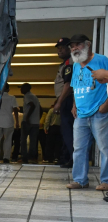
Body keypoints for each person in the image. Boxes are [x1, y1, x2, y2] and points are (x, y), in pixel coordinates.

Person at [68, 34, 108, 190]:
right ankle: (80, 180)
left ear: (88, 44)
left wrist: (105, 105)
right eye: (72, 46)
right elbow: (75, 87)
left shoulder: (102, 60)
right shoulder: (76, 65)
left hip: (100, 112)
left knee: (105, 148)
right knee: (79, 148)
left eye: (78, 45)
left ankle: (106, 181)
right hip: (81, 114)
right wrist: (74, 105)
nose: (74, 48)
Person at [53, 37, 75, 168]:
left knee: (69, 131)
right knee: (65, 130)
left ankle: (73, 159)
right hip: (65, 99)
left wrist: (59, 103)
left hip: (67, 100)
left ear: (69, 48)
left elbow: (68, 85)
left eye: (62, 48)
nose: (59, 51)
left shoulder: (70, 64)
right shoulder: (66, 63)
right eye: (58, 49)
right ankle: (66, 157)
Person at [0, 83, 17, 163]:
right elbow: (15, 109)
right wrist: (17, 122)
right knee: (8, 140)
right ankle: (6, 158)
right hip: (8, 122)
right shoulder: (12, 98)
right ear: (8, 89)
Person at [19, 83, 41, 164]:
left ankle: (24, 158)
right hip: (35, 122)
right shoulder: (35, 96)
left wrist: (27, 117)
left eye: (22, 88)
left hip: (27, 122)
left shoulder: (27, 96)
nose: (20, 90)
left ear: (26, 88)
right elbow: (40, 108)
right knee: (33, 141)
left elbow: (32, 105)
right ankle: (32, 157)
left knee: (23, 140)